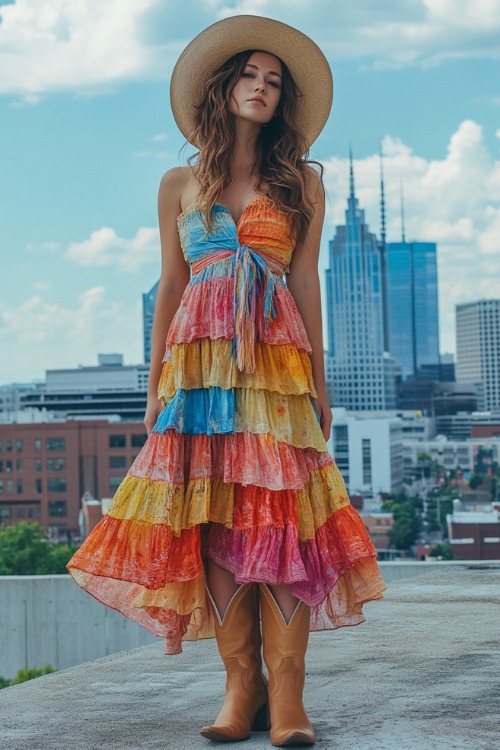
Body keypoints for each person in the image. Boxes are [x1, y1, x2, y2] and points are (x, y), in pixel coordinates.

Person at [67, 15, 386, 747]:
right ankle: (242, 685)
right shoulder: (179, 184)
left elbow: (306, 285)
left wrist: (320, 386)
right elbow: (171, 291)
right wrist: (155, 390)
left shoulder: (301, 183)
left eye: (274, 82)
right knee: (212, 526)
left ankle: (289, 692)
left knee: (282, 525)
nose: (262, 88)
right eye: (251, 75)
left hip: (273, 375)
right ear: (225, 87)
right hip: (199, 379)